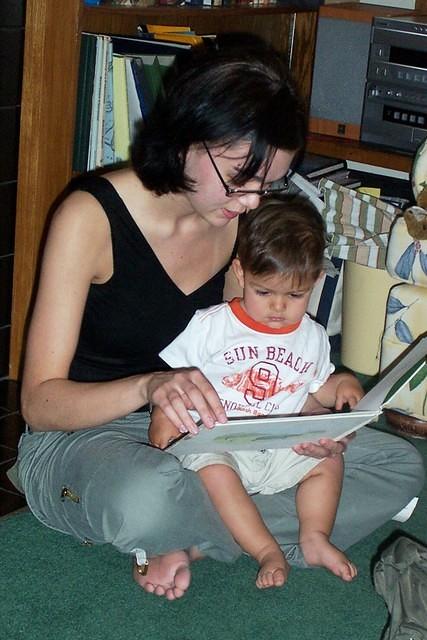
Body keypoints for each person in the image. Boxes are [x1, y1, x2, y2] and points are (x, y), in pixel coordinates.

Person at [14, 36, 424, 602]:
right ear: (187, 138)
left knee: (398, 464)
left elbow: (254, 353)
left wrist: (308, 421)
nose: (254, 201)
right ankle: (213, 528)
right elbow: (39, 406)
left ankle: (188, 538)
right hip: (89, 436)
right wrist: (150, 386)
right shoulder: (89, 218)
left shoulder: (235, 220)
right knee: (144, 495)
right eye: (240, 175)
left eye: (269, 181)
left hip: (222, 430)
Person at [149, 199, 362, 589]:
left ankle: (314, 536)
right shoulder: (212, 326)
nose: (279, 307)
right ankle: (266, 549)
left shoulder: (312, 336)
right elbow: (171, 381)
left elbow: (319, 385)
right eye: (264, 292)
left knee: (329, 461)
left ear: (315, 282)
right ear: (240, 272)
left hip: (281, 447)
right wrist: (163, 420)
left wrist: (343, 386)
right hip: (220, 444)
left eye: (295, 297)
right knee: (214, 471)